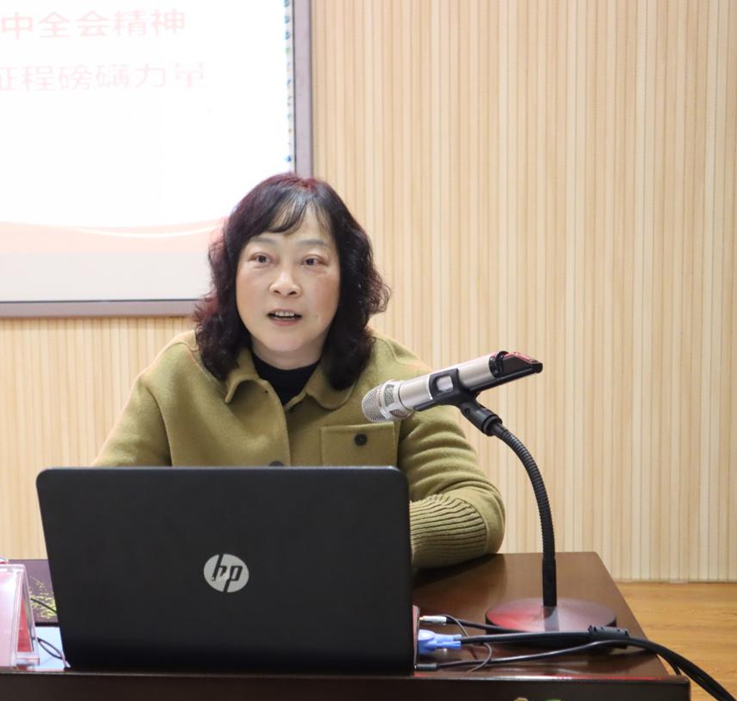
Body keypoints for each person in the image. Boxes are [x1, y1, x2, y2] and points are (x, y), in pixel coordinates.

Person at [93, 173, 504, 568]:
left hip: (347, 606)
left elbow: (477, 505)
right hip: (211, 603)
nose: (285, 284)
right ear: (231, 274)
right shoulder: (178, 372)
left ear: (347, 279)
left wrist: (368, 533)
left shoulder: (394, 378)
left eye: (311, 261)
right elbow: (98, 508)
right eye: (262, 259)